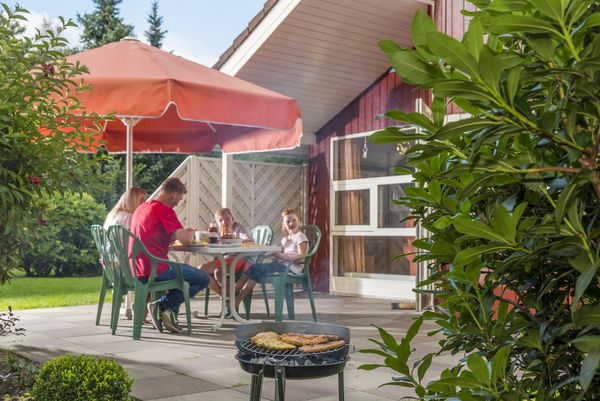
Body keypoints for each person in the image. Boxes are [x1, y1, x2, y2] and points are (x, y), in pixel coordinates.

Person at [130, 177, 219, 333]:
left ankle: (170, 314)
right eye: (179, 198)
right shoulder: (164, 210)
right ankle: (163, 306)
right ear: (174, 194)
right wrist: (191, 233)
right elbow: (186, 240)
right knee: (203, 277)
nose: (178, 202)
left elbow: (159, 238)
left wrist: (172, 237)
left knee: (186, 275)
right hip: (156, 269)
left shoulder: (142, 208)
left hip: (137, 268)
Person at [234, 208, 308, 308]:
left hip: (292, 269)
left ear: (298, 221)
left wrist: (283, 256)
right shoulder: (284, 239)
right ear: (283, 225)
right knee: (253, 269)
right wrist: (277, 257)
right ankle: (233, 297)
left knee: (255, 269)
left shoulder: (300, 236)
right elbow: (284, 255)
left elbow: (302, 258)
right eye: (288, 221)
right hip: (281, 265)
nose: (291, 223)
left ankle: (232, 298)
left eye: (294, 220)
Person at [199, 208, 253, 312]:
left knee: (218, 272)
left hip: (240, 260)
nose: (224, 222)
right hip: (224, 259)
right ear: (217, 223)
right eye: (220, 220)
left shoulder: (239, 229)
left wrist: (233, 239)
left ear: (232, 218)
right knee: (201, 270)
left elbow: (249, 240)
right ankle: (228, 299)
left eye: (227, 219)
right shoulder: (218, 232)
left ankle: (228, 302)